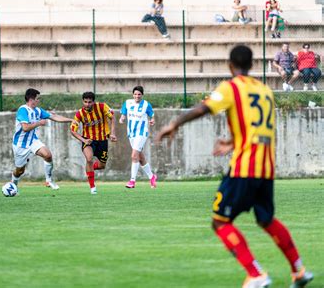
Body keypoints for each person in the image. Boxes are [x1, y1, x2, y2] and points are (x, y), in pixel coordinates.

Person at [155, 45, 313, 288]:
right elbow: (259, 128)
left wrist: (175, 123)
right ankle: (299, 270)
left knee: (220, 221)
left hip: (244, 168)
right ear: (251, 65)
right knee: (267, 219)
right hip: (266, 166)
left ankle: (256, 274)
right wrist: (232, 143)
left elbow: (203, 108)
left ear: (230, 65)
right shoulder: (264, 91)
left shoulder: (231, 87)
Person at [9, 88, 75, 191]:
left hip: (33, 141)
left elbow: (54, 116)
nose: (39, 101)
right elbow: (25, 128)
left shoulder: (38, 111)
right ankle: (13, 185)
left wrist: (71, 120)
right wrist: (39, 123)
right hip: (20, 145)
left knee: (48, 155)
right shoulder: (23, 110)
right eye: (37, 99)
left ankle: (49, 181)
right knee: (20, 171)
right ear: (31, 99)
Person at [70, 92, 117, 194]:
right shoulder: (79, 113)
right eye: (85, 102)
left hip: (103, 140)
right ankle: (92, 187)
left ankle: (89, 170)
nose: (87, 104)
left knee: (102, 166)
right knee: (89, 159)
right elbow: (73, 130)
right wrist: (84, 140)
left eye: (89, 102)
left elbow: (112, 117)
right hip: (88, 140)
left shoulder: (102, 107)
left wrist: (112, 134)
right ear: (83, 101)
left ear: (93, 102)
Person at [119, 86, 158, 189]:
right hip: (131, 134)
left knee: (134, 155)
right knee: (140, 158)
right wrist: (122, 119)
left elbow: (152, 116)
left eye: (139, 94)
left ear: (142, 95)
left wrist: (152, 121)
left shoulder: (146, 105)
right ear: (133, 95)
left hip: (141, 133)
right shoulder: (127, 103)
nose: (137, 96)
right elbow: (123, 115)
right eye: (135, 94)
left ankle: (132, 181)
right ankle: (152, 177)